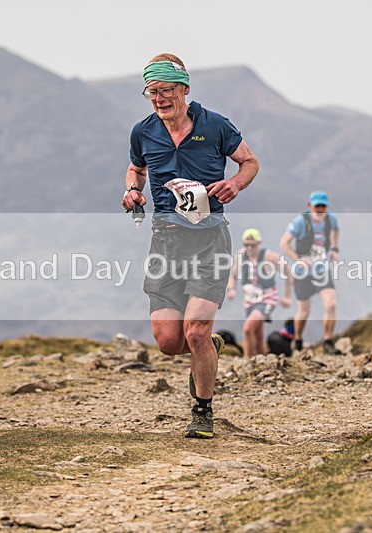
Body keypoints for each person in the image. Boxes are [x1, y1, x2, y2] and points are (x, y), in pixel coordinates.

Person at [122, 53, 259, 438]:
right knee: (169, 342)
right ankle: (210, 349)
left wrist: (235, 184)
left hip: (209, 238)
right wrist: (133, 190)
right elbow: (137, 167)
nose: (159, 98)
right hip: (165, 241)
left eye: (166, 90)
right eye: (151, 92)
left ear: (184, 89)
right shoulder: (143, 130)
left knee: (195, 330)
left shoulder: (215, 125)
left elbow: (249, 162)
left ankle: (203, 411)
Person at [280, 191, 340, 354]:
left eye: (323, 206)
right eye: (317, 206)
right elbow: (284, 243)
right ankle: (298, 339)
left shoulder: (330, 219)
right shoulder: (300, 222)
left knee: (331, 304)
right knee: (304, 311)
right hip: (303, 274)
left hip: (322, 270)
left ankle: (328, 342)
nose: (320, 209)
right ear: (309, 206)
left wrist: (334, 249)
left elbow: (335, 231)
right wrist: (298, 258)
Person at [227, 228, 291, 356]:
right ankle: (262, 358)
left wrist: (287, 296)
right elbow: (232, 275)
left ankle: (247, 361)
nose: (249, 248)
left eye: (253, 245)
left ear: (259, 243)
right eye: (246, 245)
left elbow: (289, 273)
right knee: (257, 333)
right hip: (250, 300)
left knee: (248, 329)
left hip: (267, 299)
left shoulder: (270, 257)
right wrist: (232, 289)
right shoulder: (241, 256)